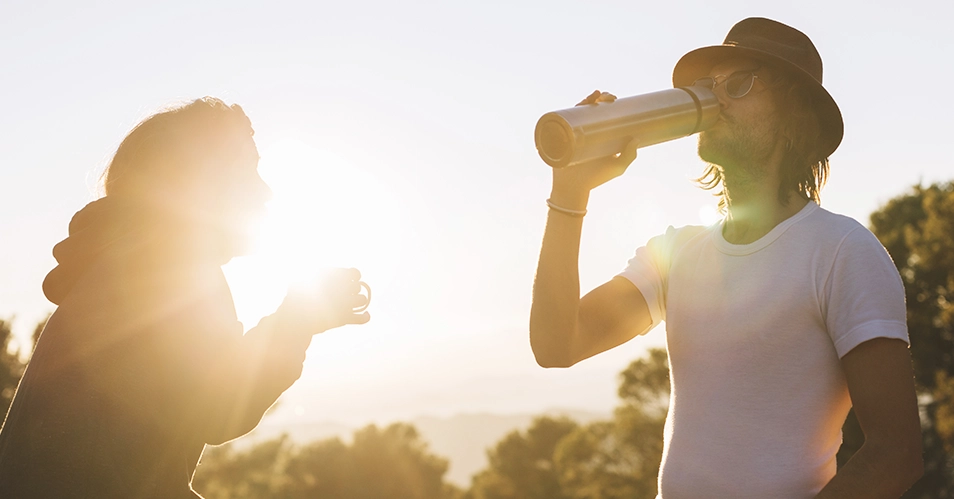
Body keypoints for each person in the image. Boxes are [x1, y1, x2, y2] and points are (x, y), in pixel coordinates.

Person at [530, 18, 923, 498]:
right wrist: (569, 189)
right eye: (705, 86)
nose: (713, 100)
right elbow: (557, 345)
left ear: (793, 115)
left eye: (737, 84)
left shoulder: (843, 252)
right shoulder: (676, 253)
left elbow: (895, 455)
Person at [0, 97, 370, 498]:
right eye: (248, 168)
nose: (266, 190)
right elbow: (218, 407)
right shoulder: (166, 264)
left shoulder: (130, 260)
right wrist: (297, 319)